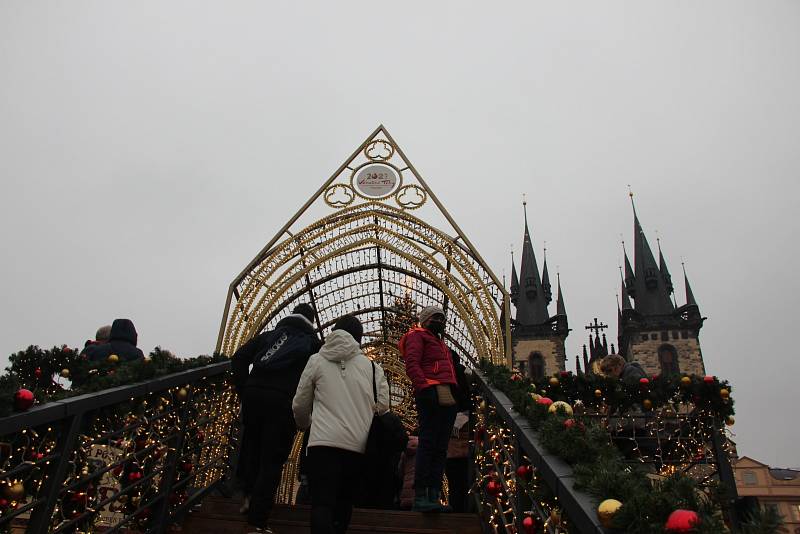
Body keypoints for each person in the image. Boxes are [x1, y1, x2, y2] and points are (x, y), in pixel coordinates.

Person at [293, 315, 389, 534]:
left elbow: (299, 404)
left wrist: (305, 424)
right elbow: (383, 407)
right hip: (357, 446)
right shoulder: (373, 368)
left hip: (321, 444)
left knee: (321, 504)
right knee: (344, 503)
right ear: (359, 338)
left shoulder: (317, 360)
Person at [231, 303, 321, 534]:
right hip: (283, 404)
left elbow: (239, 357)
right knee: (272, 459)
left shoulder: (270, 335)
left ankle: (246, 495)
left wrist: (245, 388)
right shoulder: (312, 344)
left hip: (254, 397)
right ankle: (258, 521)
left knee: (251, 447)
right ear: (310, 322)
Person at [399, 306, 459, 513]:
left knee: (440, 447)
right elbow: (412, 363)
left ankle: (433, 495)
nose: (440, 321)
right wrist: (424, 388)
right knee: (429, 443)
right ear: (425, 320)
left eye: (442, 318)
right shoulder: (417, 336)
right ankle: (421, 496)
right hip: (431, 392)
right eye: (436, 317)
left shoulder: (439, 343)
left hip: (447, 394)